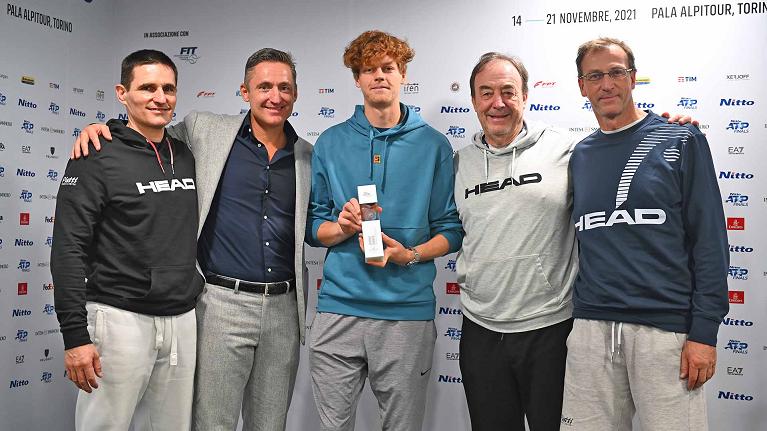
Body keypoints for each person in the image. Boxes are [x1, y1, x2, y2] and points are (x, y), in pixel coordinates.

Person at [454, 52, 699, 431]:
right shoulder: (458, 163)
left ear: (525, 96)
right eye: (486, 93)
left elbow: (619, 144)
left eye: (508, 91)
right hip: (481, 328)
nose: (497, 103)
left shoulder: (570, 150)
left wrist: (666, 128)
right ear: (473, 100)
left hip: (552, 327)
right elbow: (446, 228)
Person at [71, 48, 312, 431]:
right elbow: (146, 129)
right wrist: (103, 128)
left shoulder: (307, 156)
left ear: (296, 94)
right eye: (263, 86)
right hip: (218, 305)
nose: (275, 96)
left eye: (284, 87)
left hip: (283, 308)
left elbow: (313, 226)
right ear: (245, 91)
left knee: (271, 423)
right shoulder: (205, 130)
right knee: (209, 423)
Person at [560, 37, 728, 430]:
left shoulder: (680, 139)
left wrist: (704, 332)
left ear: (633, 78)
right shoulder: (580, 155)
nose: (607, 84)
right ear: (582, 86)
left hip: (665, 332)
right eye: (595, 76)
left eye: (616, 73)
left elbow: (710, 242)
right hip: (590, 328)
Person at [306, 30, 463, 431]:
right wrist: (340, 228)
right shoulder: (330, 142)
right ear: (357, 78)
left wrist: (408, 255)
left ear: (403, 74)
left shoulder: (434, 146)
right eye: (369, 69)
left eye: (388, 68)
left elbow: (450, 229)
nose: (379, 76)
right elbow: (312, 227)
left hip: (406, 314)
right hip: (339, 308)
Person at [52, 49, 202, 430]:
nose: (160, 97)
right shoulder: (95, 154)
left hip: (182, 318)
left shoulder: (185, 153)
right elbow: (68, 248)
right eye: (147, 87)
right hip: (118, 319)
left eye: (168, 88)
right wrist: (75, 336)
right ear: (122, 93)